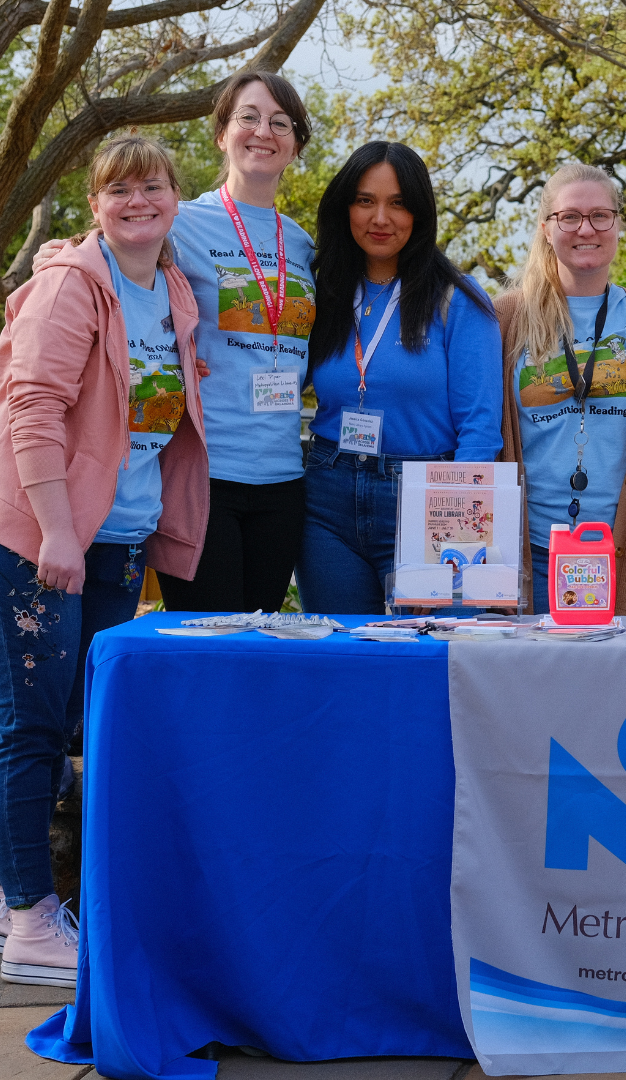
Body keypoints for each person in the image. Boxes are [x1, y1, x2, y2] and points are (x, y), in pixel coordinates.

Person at [0, 137, 209, 986]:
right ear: (95, 205)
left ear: (173, 198)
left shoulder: (173, 288)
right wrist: (55, 530)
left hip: (119, 538)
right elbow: (33, 407)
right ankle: (27, 919)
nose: (136, 201)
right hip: (46, 542)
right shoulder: (69, 285)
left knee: (80, 725)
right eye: (118, 190)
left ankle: (31, 899)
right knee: (33, 725)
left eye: (152, 187)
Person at [36, 72, 315, 613]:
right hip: (202, 474)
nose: (264, 131)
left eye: (280, 123)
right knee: (207, 647)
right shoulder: (178, 221)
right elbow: (96, 249)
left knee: (260, 642)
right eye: (249, 117)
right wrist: (57, 255)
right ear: (222, 134)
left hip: (284, 475)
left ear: (296, 144)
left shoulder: (300, 242)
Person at [296, 143, 502, 613]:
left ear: (421, 212)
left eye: (399, 203)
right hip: (327, 499)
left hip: (430, 498)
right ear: (345, 206)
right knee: (343, 657)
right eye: (365, 200)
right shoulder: (323, 292)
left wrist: (459, 534)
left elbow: (480, 428)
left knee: (429, 658)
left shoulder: (459, 300)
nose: (380, 218)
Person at [497, 163, 626, 616]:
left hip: (620, 555)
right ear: (546, 229)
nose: (585, 229)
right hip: (524, 556)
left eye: (600, 216)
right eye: (569, 217)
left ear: (617, 224)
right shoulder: (504, 320)